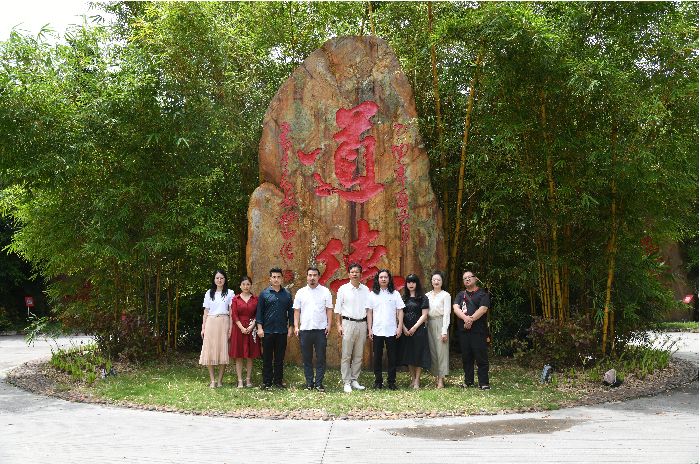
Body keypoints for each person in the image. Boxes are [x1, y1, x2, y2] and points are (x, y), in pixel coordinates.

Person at [293, 267, 334, 392]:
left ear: (318, 276)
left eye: (315, 275)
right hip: (305, 330)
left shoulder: (325, 291)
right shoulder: (300, 292)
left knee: (321, 358)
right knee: (307, 358)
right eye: (310, 275)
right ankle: (309, 383)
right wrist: (296, 326)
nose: (312, 278)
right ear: (306, 277)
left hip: (320, 330)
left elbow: (329, 309)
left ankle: (319, 383)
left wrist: (329, 325)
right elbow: (297, 311)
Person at [334, 263, 371, 393]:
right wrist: (338, 325)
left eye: (357, 272)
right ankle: (346, 381)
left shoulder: (366, 290)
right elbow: (338, 309)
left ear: (361, 274)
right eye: (352, 272)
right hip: (347, 323)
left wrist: (369, 327)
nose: (354, 274)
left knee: (359, 355)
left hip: (362, 323)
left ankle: (354, 379)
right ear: (349, 274)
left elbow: (368, 310)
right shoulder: (343, 289)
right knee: (346, 354)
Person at [366, 269, 405, 390]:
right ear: (377, 279)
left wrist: (399, 327)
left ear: (389, 279)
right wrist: (369, 329)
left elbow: (400, 310)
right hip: (377, 330)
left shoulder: (395, 294)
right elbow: (369, 312)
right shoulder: (372, 294)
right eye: (381, 277)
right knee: (377, 357)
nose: (383, 279)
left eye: (385, 277)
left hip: (391, 330)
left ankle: (391, 382)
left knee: (392, 357)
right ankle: (378, 381)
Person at [453, 270, 491, 390]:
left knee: (481, 356)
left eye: (470, 277)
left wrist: (471, 320)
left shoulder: (483, 294)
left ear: (475, 278)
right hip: (464, 331)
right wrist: (465, 319)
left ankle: (483, 382)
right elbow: (455, 308)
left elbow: (483, 309)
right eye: (465, 278)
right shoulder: (460, 295)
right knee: (466, 357)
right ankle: (468, 381)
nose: (467, 279)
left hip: (478, 331)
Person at [256, 267, 294, 389]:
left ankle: (278, 381)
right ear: (270, 279)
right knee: (267, 358)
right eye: (274, 277)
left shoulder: (287, 295)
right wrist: (259, 328)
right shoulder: (264, 294)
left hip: (282, 331)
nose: (276, 279)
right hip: (267, 331)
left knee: (279, 358)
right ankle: (267, 382)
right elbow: (259, 313)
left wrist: (291, 327)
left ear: (282, 279)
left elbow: (291, 313)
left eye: (278, 277)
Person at [199, 270, 234, 388]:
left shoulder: (230, 293)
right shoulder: (209, 293)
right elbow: (206, 311)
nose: (219, 280)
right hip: (211, 322)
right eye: (217, 278)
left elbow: (232, 312)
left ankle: (219, 380)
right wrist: (203, 327)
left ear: (225, 279)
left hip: (224, 322)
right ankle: (212, 380)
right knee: (210, 350)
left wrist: (231, 328)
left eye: (222, 278)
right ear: (214, 280)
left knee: (223, 350)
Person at [398, 274, 431, 389]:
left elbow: (424, 315)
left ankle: (417, 380)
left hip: (419, 329)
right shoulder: (403, 298)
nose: (411, 284)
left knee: (418, 354)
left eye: (413, 282)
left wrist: (414, 328)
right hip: (406, 330)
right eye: (409, 282)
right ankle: (412, 379)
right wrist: (404, 328)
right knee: (409, 354)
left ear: (417, 284)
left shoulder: (423, 297)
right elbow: (399, 314)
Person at [229, 276, 261, 388]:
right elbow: (234, 315)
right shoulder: (235, 299)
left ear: (251, 285)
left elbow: (258, 314)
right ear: (240, 286)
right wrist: (241, 327)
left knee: (250, 355)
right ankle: (240, 380)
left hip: (252, 328)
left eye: (248, 284)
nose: (246, 286)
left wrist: (252, 326)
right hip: (239, 329)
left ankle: (248, 380)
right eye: (243, 284)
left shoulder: (256, 299)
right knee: (239, 355)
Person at [426, 270, 451, 388]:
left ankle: (441, 379)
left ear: (442, 281)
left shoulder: (446, 295)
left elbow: (447, 314)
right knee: (433, 351)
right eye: (434, 279)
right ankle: (436, 376)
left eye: (438, 280)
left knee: (442, 351)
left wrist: (444, 330)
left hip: (441, 323)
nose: (436, 281)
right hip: (429, 323)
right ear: (431, 281)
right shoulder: (427, 295)